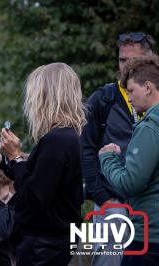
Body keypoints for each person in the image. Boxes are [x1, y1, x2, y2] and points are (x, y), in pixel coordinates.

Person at [0, 62, 86, 265]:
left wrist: (15, 156)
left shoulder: (56, 140)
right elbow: (37, 178)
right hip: (55, 241)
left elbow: (34, 197)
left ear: (45, 97)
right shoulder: (67, 135)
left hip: (44, 246)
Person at [81, 32, 156, 265]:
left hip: (146, 209)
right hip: (111, 205)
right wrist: (103, 198)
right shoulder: (104, 99)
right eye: (122, 60)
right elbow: (85, 150)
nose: (125, 66)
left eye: (132, 60)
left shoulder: (152, 101)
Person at [99, 56, 159, 266]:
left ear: (148, 88)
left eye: (131, 91)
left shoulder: (150, 127)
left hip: (148, 239)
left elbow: (130, 184)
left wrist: (108, 159)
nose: (129, 98)